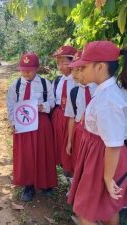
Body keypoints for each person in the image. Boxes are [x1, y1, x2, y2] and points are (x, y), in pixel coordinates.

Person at [68, 41, 127, 225]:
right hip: (99, 156)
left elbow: (114, 143)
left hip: (104, 160)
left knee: (84, 210)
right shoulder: (104, 92)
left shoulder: (109, 99)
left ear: (100, 67)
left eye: (84, 67)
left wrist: (108, 177)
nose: (80, 71)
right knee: (107, 206)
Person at [7, 52, 57, 202]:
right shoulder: (15, 86)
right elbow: (10, 105)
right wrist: (13, 123)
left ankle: (46, 183)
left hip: (41, 123)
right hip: (23, 124)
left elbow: (52, 101)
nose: (26, 72)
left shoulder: (44, 83)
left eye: (30, 69)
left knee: (43, 152)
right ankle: (28, 185)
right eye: (23, 69)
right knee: (26, 154)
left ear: (37, 68)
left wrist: (45, 106)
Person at [65, 51, 97, 172]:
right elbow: (72, 117)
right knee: (79, 163)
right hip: (80, 132)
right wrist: (69, 141)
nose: (74, 75)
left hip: (97, 135)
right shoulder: (73, 92)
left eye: (78, 70)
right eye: (73, 70)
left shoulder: (99, 89)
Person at [51, 45, 77, 175]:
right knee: (61, 146)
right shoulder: (57, 81)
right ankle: (67, 173)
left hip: (73, 120)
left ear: (73, 61)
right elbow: (53, 100)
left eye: (63, 63)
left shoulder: (79, 81)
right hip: (59, 117)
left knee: (72, 148)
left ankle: (74, 176)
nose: (60, 67)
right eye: (58, 63)